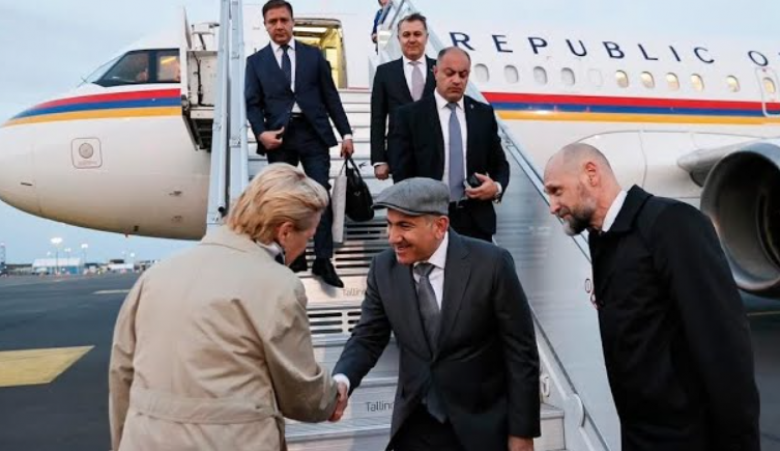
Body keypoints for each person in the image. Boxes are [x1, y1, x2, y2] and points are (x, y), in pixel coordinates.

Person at [109, 164, 348, 451]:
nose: (305, 248)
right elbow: (300, 393)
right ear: (285, 232)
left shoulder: (155, 276)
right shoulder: (278, 285)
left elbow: (122, 373)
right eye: (308, 238)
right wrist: (332, 397)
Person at [543, 143, 761, 451]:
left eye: (557, 191)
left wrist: (741, 442)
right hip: (639, 437)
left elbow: (723, 345)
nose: (552, 206)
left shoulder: (671, 222)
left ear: (591, 174)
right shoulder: (602, 239)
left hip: (689, 439)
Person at [331, 177, 540, 451]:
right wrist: (342, 379)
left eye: (404, 226)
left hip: (482, 427)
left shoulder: (491, 264)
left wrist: (522, 432)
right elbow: (367, 337)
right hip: (415, 426)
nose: (392, 237)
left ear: (440, 226)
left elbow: (521, 352)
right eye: (389, 224)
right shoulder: (383, 268)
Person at [245, 0, 354, 288]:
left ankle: (323, 259)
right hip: (278, 137)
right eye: (273, 21)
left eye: (284, 20)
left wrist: (346, 134)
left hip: (313, 132)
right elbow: (252, 104)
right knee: (283, 199)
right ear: (265, 25)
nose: (279, 26)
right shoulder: (255, 62)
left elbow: (331, 97)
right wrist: (261, 134)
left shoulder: (313, 56)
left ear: (292, 22)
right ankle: (292, 256)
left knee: (320, 194)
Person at [389, 47, 509, 242]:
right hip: (427, 221)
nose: (456, 80)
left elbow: (500, 164)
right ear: (435, 72)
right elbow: (401, 173)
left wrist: (496, 187)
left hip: (476, 221)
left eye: (463, 74)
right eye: (450, 73)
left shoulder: (483, 114)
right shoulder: (410, 116)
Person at [370, 13, 436, 181]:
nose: (411, 39)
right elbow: (378, 118)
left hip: (437, 157)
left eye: (417, 34)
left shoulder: (440, 69)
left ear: (426, 37)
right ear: (398, 38)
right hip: (400, 158)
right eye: (406, 35)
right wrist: (379, 159)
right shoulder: (385, 73)